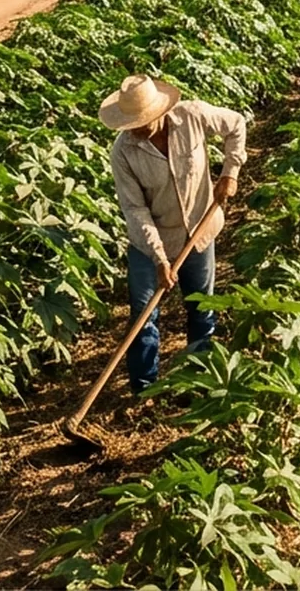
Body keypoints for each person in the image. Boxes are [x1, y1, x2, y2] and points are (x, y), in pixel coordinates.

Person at [99, 73, 247, 394]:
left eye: (142, 121)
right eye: (130, 124)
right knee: (144, 315)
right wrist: (159, 257)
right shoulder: (123, 153)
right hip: (150, 242)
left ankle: (198, 381)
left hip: (198, 231)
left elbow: (236, 124)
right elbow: (135, 210)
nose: (137, 129)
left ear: (159, 111)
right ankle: (145, 390)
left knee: (201, 307)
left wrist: (229, 173)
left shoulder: (192, 116)